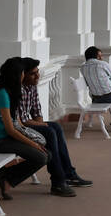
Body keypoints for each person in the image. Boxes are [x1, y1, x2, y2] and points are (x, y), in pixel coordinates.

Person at [18, 57, 92, 195]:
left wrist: (42, 125)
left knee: (55, 128)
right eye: (33, 73)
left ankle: (69, 174)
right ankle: (58, 181)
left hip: (27, 125)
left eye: (37, 72)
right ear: (23, 75)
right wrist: (43, 127)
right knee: (51, 131)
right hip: (17, 130)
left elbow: (36, 112)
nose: (37, 76)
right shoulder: (17, 91)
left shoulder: (31, 87)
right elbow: (21, 121)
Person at [0, 58, 47, 201]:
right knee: (42, 157)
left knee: (47, 155)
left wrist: (32, 141)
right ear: (16, 74)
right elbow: (10, 129)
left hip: (5, 138)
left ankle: (4, 176)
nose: (24, 75)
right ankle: (7, 181)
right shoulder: (2, 94)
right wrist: (33, 144)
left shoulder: (7, 91)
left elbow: (16, 125)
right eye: (23, 72)